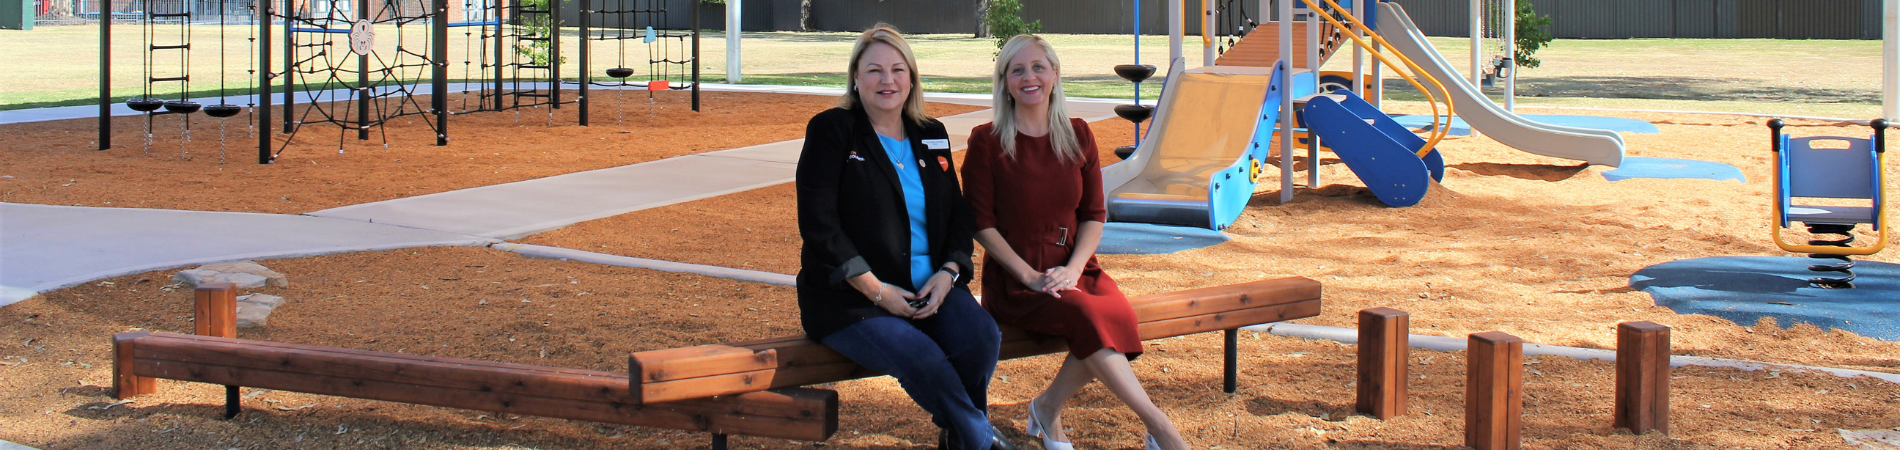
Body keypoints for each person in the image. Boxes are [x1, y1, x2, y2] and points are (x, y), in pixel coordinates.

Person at [960, 35, 1191, 450]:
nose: (1029, 77)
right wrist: (1031, 276)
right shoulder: (988, 140)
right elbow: (980, 224)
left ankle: (1046, 409)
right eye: (1017, 70)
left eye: (1037, 68)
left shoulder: (1078, 134)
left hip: (1075, 267)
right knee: (1089, 317)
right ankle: (1160, 426)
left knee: (1118, 316)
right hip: (1017, 278)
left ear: (1054, 75)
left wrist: (1072, 267)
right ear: (1005, 82)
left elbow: (1093, 214)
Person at [793, 24, 1015, 450]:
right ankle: (979, 438)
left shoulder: (930, 132)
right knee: (922, 357)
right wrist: (878, 292)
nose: (887, 80)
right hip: (852, 300)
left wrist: (948, 273)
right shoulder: (833, 130)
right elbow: (820, 224)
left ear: (912, 78)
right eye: (874, 70)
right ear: (855, 77)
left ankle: (964, 435)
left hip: (928, 288)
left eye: (898, 69)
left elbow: (958, 214)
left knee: (981, 338)